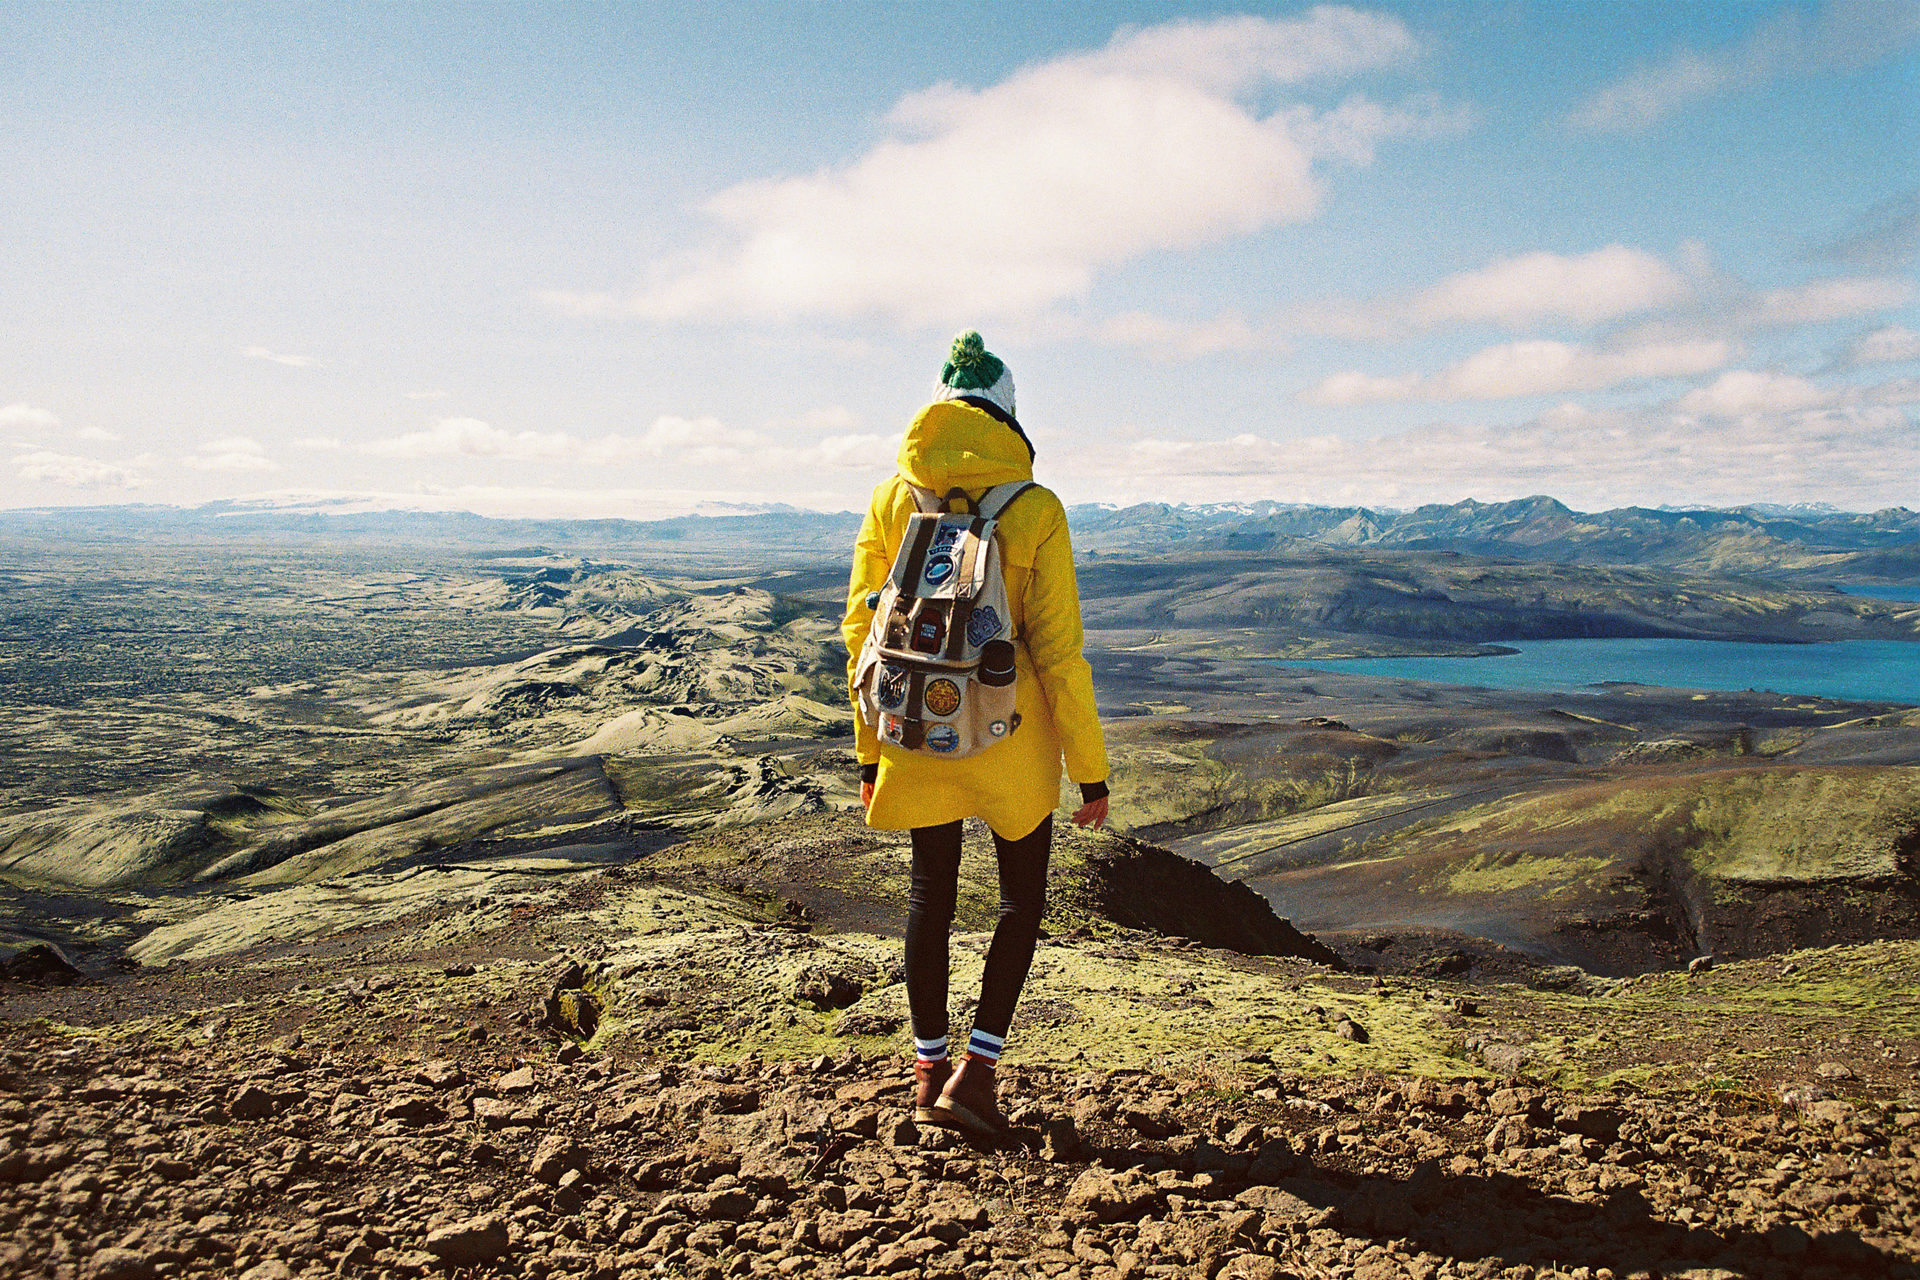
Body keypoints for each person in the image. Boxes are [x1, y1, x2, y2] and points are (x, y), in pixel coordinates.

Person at [842, 330, 1110, 1137]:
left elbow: (860, 633)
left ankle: (927, 1070)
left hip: (915, 731)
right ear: (1008, 414)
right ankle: (978, 1073)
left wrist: (869, 753)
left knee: (931, 892)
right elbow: (1059, 653)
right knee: (1020, 902)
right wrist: (1090, 772)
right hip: (1010, 740)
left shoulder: (893, 500)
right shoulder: (1036, 509)